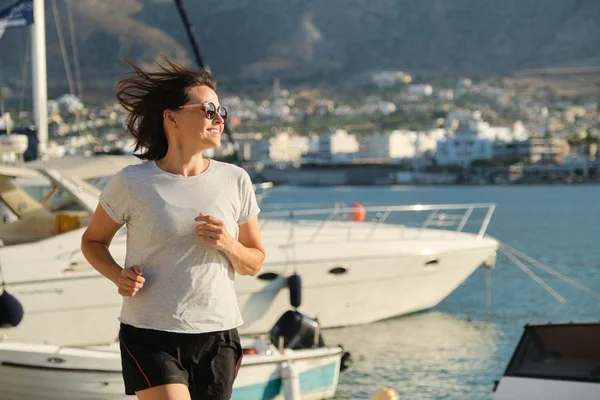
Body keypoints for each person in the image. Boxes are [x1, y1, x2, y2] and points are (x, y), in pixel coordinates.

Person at [80, 57, 265, 400]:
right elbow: (93, 241)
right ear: (172, 116)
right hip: (150, 332)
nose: (219, 117)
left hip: (218, 334)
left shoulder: (236, 180)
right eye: (208, 109)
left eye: (221, 110)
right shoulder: (132, 182)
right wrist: (117, 275)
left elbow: (253, 262)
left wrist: (228, 244)